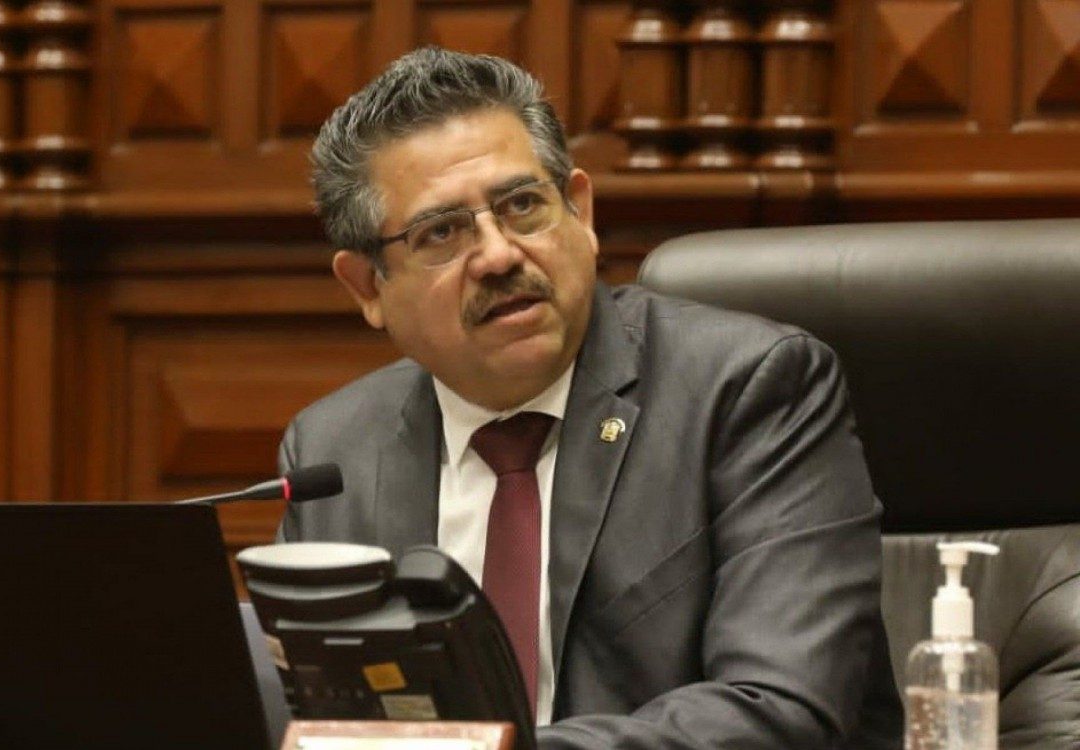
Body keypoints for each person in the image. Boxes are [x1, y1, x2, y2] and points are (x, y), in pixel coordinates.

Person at [278, 46, 901, 748]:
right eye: (442, 232)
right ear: (368, 287)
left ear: (580, 210)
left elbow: (783, 708)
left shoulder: (747, 389)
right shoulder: (335, 450)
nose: (499, 255)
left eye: (522, 206)